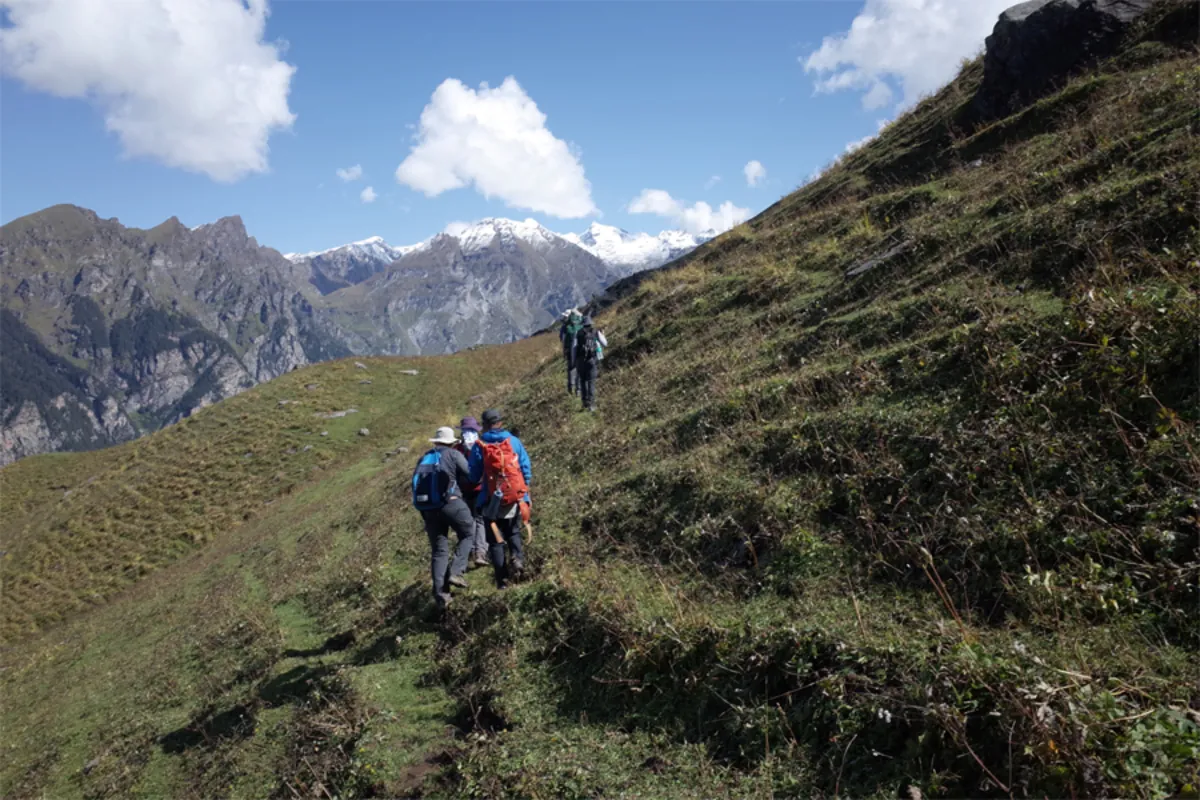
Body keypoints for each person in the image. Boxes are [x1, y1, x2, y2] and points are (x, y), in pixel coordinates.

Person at [411, 426, 476, 610]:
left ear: (436, 441)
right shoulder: (454, 454)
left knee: (439, 551)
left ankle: (441, 595)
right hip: (451, 503)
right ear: (452, 442)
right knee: (468, 532)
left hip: (428, 509)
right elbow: (471, 475)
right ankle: (456, 571)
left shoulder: (424, 458)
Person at [468, 408, 532, 589]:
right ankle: (517, 560)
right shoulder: (513, 441)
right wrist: (523, 490)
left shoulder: (480, 446)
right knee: (513, 531)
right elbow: (525, 467)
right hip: (514, 497)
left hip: (491, 502)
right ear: (500, 423)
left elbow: (473, 476)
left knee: (495, 541)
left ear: (486, 426)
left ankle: (502, 581)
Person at [454, 416, 490, 569]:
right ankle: (480, 552)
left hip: (462, 491)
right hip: (481, 489)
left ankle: (470, 552)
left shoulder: (456, 449)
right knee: (480, 520)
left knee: (469, 521)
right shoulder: (483, 446)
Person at [575, 316, 601, 412]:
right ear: (591, 323)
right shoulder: (595, 332)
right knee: (591, 382)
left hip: (581, 361)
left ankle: (584, 403)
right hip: (592, 360)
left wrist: (574, 361)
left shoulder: (579, 333)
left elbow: (574, 348)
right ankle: (592, 404)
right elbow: (604, 343)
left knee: (583, 381)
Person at [559, 309, 584, 396]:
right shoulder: (582, 325)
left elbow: (562, 339)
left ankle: (571, 388)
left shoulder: (566, 327)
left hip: (570, 351)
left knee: (571, 369)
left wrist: (564, 351)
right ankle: (578, 390)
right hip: (581, 351)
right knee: (579, 370)